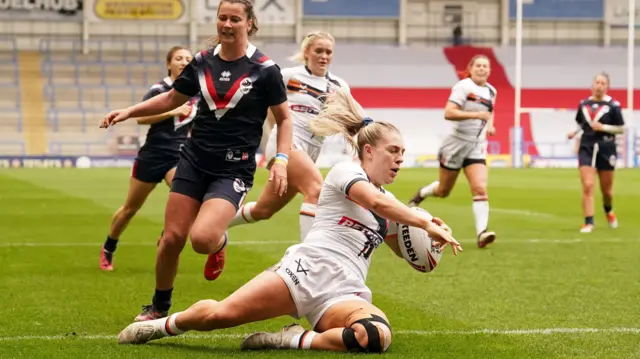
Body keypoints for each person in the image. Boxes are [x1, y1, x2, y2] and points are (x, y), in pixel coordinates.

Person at [116, 90, 462, 354]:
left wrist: (429, 239)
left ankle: (292, 339)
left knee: (375, 337)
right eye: (393, 151)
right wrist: (420, 218)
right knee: (217, 317)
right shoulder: (346, 172)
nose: (400, 159)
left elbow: (406, 251)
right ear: (369, 151)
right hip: (302, 274)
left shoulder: (391, 204)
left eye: (402, 153)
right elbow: (373, 201)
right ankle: (164, 326)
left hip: (343, 292)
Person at [100, 0, 293, 321]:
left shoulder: (265, 69)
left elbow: (284, 119)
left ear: (249, 23)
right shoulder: (202, 61)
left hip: (233, 168)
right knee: (172, 238)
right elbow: (172, 98)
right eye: (222, 18)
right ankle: (159, 305)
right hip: (192, 160)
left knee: (201, 240)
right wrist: (129, 111)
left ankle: (219, 242)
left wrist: (282, 160)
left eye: (234, 19)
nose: (227, 25)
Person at [228, 31, 351, 241]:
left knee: (263, 210)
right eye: (318, 50)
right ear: (306, 52)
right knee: (316, 189)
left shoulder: (339, 87)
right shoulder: (287, 75)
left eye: (328, 52)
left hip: (310, 151)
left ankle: (215, 225)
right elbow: (262, 103)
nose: (324, 56)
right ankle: (307, 257)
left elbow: (350, 119)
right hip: (285, 146)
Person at [100, 46, 198, 271]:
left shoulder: (196, 93)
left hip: (179, 155)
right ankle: (109, 247)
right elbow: (141, 119)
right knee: (130, 209)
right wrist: (171, 112)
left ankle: (167, 236)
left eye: (187, 59)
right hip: (152, 155)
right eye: (178, 58)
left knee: (188, 199)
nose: (183, 62)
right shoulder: (159, 89)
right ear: (168, 63)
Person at [408, 55, 497, 248]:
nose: (482, 69)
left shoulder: (491, 91)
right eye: (478, 65)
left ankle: (482, 233)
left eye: (486, 66)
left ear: (490, 71)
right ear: (471, 68)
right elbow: (449, 113)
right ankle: (422, 193)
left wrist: (490, 124)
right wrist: (477, 115)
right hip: (456, 144)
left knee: (480, 188)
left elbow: (490, 112)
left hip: (476, 146)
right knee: (443, 190)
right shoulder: (463, 87)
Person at [567, 72, 624, 233]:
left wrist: (604, 127)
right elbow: (582, 124)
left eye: (603, 83)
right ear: (592, 85)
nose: (599, 86)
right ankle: (589, 222)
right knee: (588, 185)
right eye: (597, 82)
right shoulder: (584, 104)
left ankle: (608, 210)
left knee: (607, 190)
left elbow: (621, 128)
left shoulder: (614, 106)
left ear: (607, 87)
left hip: (606, 147)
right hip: (587, 146)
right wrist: (574, 132)